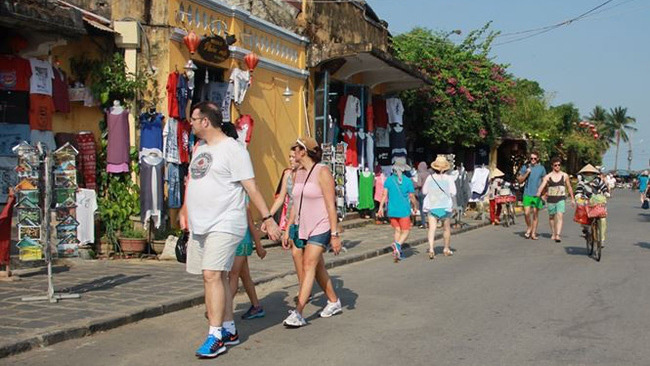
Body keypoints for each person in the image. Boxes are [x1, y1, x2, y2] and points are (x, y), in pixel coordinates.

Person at [180, 101, 281, 359]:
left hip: (225, 222)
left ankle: (215, 336)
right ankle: (229, 328)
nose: (190, 123)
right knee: (221, 276)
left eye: (193, 118)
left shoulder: (233, 149)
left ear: (205, 121)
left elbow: (251, 186)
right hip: (201, 223)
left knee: (211, 275)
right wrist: (184, 210)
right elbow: (193, 180)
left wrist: (267, 217)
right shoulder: (200, 148)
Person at [282, 136, 342, 328]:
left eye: (296, 149)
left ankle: (299, 312)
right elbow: (294, 203)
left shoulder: (322, 171)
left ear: (304, 151)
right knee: (317, 268)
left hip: (322, 225)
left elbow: (330, 205)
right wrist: (288, 228)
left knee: (308, 264)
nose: (293, 153)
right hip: (304, 226)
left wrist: (334, 234)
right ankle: (333, 301)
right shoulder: (297, 173)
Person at [268, 148, 307, 300]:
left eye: (293, 157)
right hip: (293, 218)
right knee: (296, 253)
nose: (291, 160)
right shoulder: (287, 174)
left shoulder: (308, 174)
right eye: (289, 157)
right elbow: (280, 198)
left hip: (307, 217)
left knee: (312, 259)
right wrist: (269, 216)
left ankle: (319, 287)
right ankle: (303, 286)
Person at [229, 201, 267, 320]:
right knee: (244, 276)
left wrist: (259, 246)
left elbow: (251, 225)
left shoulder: (241, 202)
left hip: (241, 243)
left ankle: (221, 307)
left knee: (233, 275)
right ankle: (256, 307)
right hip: (235, 242)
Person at [377, 159, 418, 260]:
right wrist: (415, 206)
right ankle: (398, 245)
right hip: (403, 210)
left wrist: (380, 208)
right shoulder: (408, 181)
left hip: (392, 210)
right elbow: (412, 196)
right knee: (406, 231)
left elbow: (384, 195)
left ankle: (397, 252)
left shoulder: (389, 180)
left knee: (397, 230)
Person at [423, 156, 456, 259]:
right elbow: (453, 192)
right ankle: (446, 248)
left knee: (432, 228)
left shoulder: (430, 178)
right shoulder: (449, 178)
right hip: (445, 206)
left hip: (432, 206)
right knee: (446, 229)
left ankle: (431, 249)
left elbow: (424, 191)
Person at [536, 157, 575, 242]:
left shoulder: (564, 175)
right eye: (555, 165)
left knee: (560, 215)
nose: (557, 167)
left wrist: (572, 198)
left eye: (559, 165)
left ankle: (558, 235)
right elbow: (542, 186)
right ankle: (553, 232)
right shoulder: (548, 177)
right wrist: (538, 193)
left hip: (561, 198)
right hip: (551, 200)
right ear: (552, 166)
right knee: (551, 217)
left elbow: (569, 187)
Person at [575, 164, 609, 245]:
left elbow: (604, 188)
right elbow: (578, 191)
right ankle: (586, 230)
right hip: (586, 202)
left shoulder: (598, 181)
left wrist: (606, 193)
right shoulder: (581, 183)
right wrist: (579, 196)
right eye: (587, 173)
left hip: (597, 202)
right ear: (584, 174)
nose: (589, 175)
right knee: (583, 216)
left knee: (602, 219)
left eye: (591, 173)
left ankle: (602, 239)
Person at [517, 151, 546, 240]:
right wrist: (527, 173)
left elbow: (544, 181)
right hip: (527, 193)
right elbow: (520, 180)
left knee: (535, 214)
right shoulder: (525, 167)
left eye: (535, 158)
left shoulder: (541, 168)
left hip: (537, 194)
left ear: (538, 159)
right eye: (531, 158)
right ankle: (529, 227)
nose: (533, 160)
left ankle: (533, 233)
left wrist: (544, 193)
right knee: (526, 213)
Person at [415, 162, 430, 228]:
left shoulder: (420, 174)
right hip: (429, 193)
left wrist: (414, 185)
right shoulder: (429, 174)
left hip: (422, 192)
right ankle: (430, 222)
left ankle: (423, 223)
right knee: (429, 208)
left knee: (422, 208)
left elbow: (419, 184)